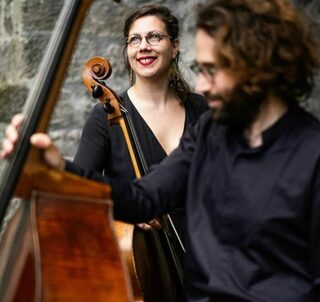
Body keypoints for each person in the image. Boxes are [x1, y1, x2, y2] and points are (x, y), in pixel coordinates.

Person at [2, 0, 320, 301]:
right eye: (201, 68)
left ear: (256, 64)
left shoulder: (312, 152)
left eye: (212, 70)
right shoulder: (212, 130)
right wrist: (55, 170)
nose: (204, 85)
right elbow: (143, 199)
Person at [72, 4, 207, 236]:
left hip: (208, 256)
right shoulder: (104, 116)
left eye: (154, 37)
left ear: (174, 46)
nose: (143, 46)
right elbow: (78, 194)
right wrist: (121, 215)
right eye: (134, 40)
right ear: (127, 50)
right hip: (146, 262)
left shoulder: (202, 109)